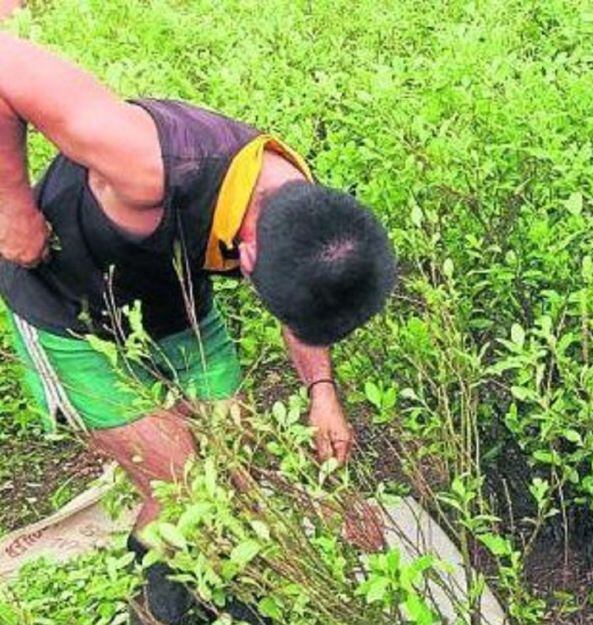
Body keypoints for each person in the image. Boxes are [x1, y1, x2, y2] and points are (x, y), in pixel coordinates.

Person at [0, 34, 396, 623]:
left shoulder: (303, 209)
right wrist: (11, 204)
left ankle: (189, 584)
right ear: (251, 256)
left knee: (230, 469)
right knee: (185, 485)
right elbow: (6, 61)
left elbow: (303, 300)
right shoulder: (143, 163)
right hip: (70, 320)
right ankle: (162, 610)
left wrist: (322, 391)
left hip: (175, 311)